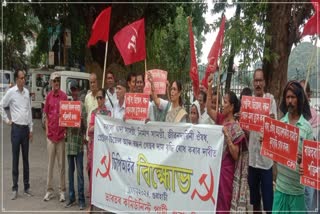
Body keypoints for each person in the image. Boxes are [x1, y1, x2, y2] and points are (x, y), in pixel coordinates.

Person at [206, 78, 246, 212]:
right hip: (216, 169)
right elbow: (208, 110)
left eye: (225, 102)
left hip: (227, 172)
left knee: (224, 203)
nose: (222, 105)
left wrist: (227, 135)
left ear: (232, 106)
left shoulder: (236, 128)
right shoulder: (221, 119)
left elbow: (235, 155)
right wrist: (210, 88)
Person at [272, 80, 313, 212]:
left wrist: (303, 163)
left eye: (293, 97)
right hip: (280, 189)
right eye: (287, 97)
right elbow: (274, 156)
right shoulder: (280, 124)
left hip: (297, 192)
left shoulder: (307, 128)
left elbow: (311, 164)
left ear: (299, 100)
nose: (289, 101)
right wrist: (267, 143)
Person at [0, 69, 33, 200]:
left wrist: (31, 130)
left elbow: (29, 111)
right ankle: (15, 188)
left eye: (24, 77)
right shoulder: (11, 92)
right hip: (16, 130)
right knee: (15, 159)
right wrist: (7, 120)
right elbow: (1, 105)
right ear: (16, 79)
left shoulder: (26, 93)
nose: (23, 80)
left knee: (26, 160)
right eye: (21, 78)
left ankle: (27, 187)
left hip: (25, 130)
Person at [248, 68, 277, 214]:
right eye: (256, 80)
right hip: (252, 161)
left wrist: (268, 120)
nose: (258, 83)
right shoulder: (249, 102)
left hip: (265, 162)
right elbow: (246, 129)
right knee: (255, 202)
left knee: (268, 203)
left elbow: (274, 123)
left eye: (260, 80)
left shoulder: (270, 100)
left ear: (264, 82)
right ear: (253, 82)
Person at [43, 72, 68, 202]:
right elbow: (46, 115)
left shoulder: (64, 96)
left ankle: (62, 191)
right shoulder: (48, 97)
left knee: (61, 165)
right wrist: (47, 131)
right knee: (50, 165)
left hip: (61, 137)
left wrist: (65, 130)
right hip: (51, 136)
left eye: (58, 80)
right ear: (51, 83)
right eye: (54, 81)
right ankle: (49, 190)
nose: (56, 83)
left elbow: (68, 115)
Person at [87, 88, 111, 210]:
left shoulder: (108, 114)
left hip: (104, 151)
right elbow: (89, 130)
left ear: (105, 99)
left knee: (104, 178)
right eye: (97, 98)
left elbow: (110, 131)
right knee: (92, 177)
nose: (99, 100)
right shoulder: (94, 113)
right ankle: (91, 204)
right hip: (94, 149)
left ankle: (103, 205)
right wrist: (98, 123)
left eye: (101, 98)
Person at [64, 81, 85, 210]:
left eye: (76, 89)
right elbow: (65, 124)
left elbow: (85, 127)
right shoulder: (67, 105)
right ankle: (71, 197)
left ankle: (81, 199)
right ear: (71, 91)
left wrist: (81, 121)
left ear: (79, 90)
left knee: (80, 173)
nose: (74, 92)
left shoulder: (81, 105)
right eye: (72, 90)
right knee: (70, 172)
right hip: (69, 143)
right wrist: (64, 118)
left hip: (78, 143)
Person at [299, 79, 320, 211]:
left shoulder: (315, 117)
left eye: (302, 92)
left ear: (309, 95)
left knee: (308, 204)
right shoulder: (292, 116)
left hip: (308, 173)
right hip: (293, 175)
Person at [84, 72, 98, 197]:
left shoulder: (101, 98)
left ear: (97, 82)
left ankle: (97, 189)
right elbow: (87, 115)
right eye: (91, 82)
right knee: (89, 165)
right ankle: (90, 189)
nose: (92, 84)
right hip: (89, 137)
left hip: (99, 139)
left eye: (94, 82)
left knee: (98, 165)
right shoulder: (87, 97)